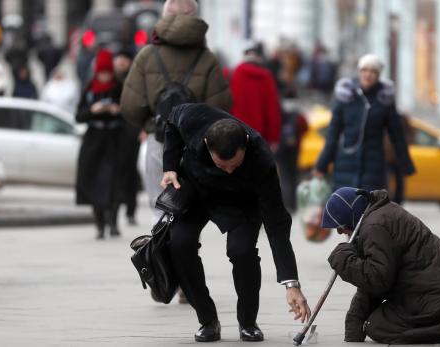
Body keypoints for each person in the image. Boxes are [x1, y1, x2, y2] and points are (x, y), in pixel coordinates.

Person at [160, 103, 311, 342]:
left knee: (242, 252)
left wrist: (290, 283)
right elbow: (171, 120)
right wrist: (169, 165)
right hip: (197, 191)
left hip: (241, 200)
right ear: (207, 144)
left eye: (235, 165)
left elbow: (277, 224)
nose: (229, 170)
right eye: (222, 165)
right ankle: (207, 320)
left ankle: (248, 322)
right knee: (179, 244)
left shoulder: (262, 161)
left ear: (246, 144)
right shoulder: (193, 119)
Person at [323, 187, 440, 344]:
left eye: (340, 225)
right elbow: (372, 286)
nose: (339, 232)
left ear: (351, 215)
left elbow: (377, 280)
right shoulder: (382, 213)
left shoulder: (374, 227)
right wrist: (354, 329)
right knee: (377, 320)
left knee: (377, 326)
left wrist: (343, 259)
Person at [120, 0, 232, 217]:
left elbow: (130, 105)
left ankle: (161, 246)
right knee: (190, 213)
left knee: (159, 209)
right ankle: (185, 247)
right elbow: (221, 105)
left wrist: (149, 122)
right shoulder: (207, 58)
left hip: (158, 138)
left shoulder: (147, 55)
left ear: (164, 17)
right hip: (196, 144)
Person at [313, 54, 415, 192]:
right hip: (345, 163)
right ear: (359, 72)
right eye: (365, 70)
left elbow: (397, 135)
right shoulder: (345, 96)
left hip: (373, 167)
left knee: (369, 210)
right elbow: (332, 135)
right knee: (345, 208)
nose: (368, 75)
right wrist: (321, 165)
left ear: (378, 75)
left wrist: (406, 165)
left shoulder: (384, 100)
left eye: (373, 71)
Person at [75, 49, 129, 239]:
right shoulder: (89, 89)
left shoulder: (119, 88)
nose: (105, 76)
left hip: (114, 140)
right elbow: (78, 116)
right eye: (101, 72)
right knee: (93, 182)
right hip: (93, 142)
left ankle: (113, 223)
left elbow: (129, 115)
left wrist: (117, 110)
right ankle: (99, 224)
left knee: (114, 183)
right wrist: (92, 110)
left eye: (107, 72)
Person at [230, 41, 282, 151]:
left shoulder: (235, 73)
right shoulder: (266, 77)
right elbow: (272, 110)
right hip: (260, 136)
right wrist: (274, 138)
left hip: (236, 133)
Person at [113, 49, 141, 225]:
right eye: (119, 58)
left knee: (130, 173)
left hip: (131, 132)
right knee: (116, 173)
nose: (121, 62)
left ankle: (131, 209)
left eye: (124, 59)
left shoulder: (135, 80)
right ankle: (115, 211)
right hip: (114, 134)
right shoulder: (109, 79)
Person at [384, 111, 414, 204]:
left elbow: (411, 133)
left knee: (399, 182)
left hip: (398, 156)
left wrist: (406, 142)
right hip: (387, 156)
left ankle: (397, 202)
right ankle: (388, 202)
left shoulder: (402, 118)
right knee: (387, 181)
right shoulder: (385, 115)